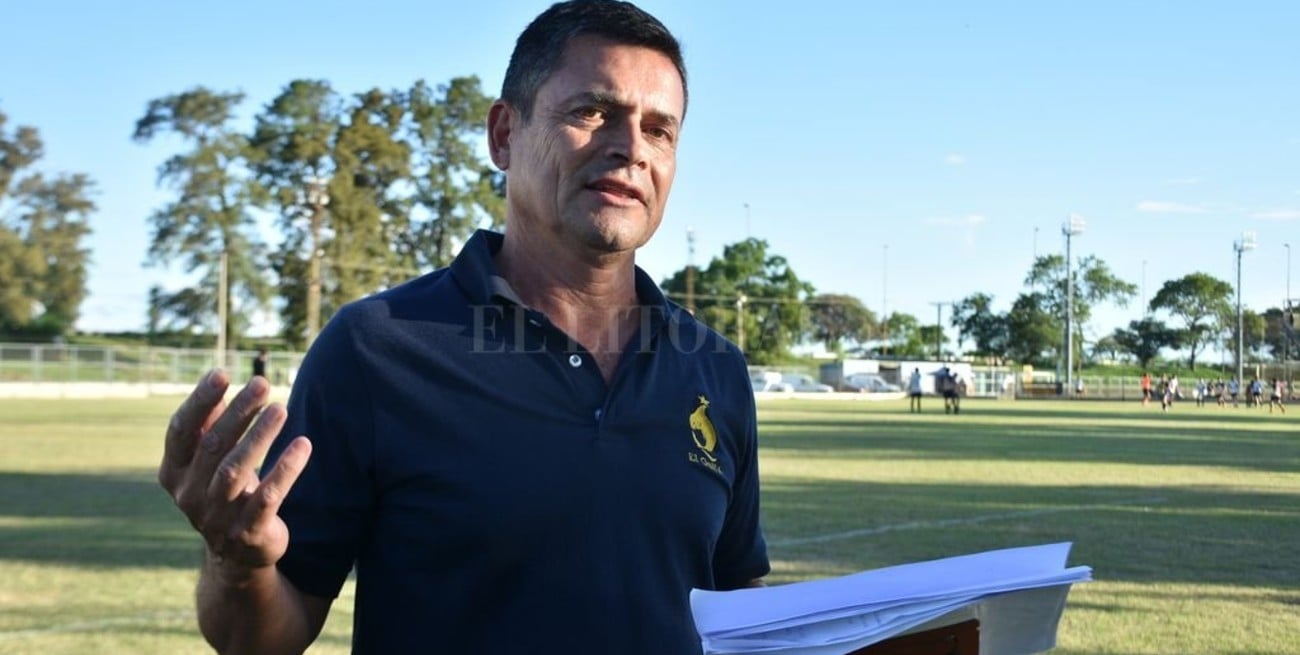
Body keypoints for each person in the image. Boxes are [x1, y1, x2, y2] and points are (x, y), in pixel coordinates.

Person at [156, 3, 769, 653]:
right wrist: (237, 564)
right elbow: (258, 640)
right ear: (504, 135)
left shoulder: (714, 369)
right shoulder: (376, 349)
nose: (632, 149)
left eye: (659, 130)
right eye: (592, 112)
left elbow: (737, 604)